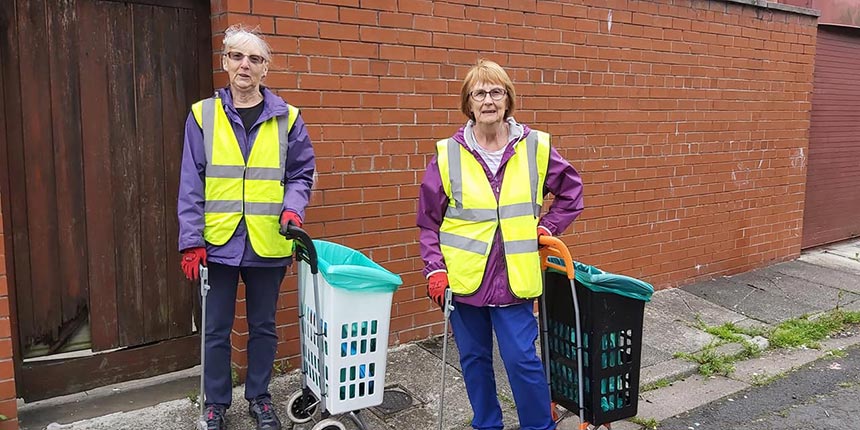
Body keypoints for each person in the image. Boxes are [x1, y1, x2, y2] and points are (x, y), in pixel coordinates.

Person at [417, 59, 584, 430]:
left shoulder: (536, 146)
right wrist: (435, 269)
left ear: (508, 100)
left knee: (522, 360)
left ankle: (539, 426)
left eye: (496, 92)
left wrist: (546, 230)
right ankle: (487, 424)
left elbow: (572, 193)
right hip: (464, 281)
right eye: (480, 93)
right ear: (469, 103)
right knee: (474, 361)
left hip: (514, 279)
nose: (488, 100)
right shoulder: (447, 154)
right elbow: (428, 221)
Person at [177, 24, 315, 430]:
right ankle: (215, 403)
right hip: (217, 242)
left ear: (265, 69)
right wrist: (190, 241)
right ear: (225, 63)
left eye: (255, 59)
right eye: (237, 56)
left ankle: (259, 398)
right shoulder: (203, 115)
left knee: (263, 327)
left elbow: (302, 174)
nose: (245, 65)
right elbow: (191, 181)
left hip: (268, 240)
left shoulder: (288, 119)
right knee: (217, 329)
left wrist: (293, 210)